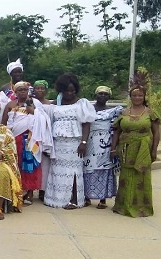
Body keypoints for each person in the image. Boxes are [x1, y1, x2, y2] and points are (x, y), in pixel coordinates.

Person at [111, 70, 160, 217]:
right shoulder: (125, 112)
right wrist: (113, 148)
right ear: (130, 97)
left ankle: (141, 208)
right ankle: (122, 206)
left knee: (141, 176)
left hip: (143, 149)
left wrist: (154, 150)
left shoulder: (150, 113)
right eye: (134, 95)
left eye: (140, 95)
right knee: (126, 176)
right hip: (126, 149)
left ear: (144, 96)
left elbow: (156, 133)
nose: (137, 97)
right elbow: (117, 131)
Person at [44, 73, 97, 209]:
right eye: (67, 90)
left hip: (75, 144)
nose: (70, 93)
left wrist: (83, 143)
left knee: (73, 171)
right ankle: (57, 199)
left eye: (72, 90)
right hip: (58, 143)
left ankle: (73, 200)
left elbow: (86, 124)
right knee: (57, 170)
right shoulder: (54, 105)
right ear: (61, 90)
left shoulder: (81, 103)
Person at [2, 81, 52, 205]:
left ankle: (29, 193)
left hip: (30, 138)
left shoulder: (35, 103)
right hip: (14, 139)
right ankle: (17, 190)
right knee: (16, 164)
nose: (22, 92)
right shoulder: (10, 104)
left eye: (25, 89)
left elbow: (44, 119)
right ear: (16, 92)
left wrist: (33, 111)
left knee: (30, 165)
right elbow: (3, 124)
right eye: (20, 90)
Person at [83, 86, 123, 209]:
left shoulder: (113, 111)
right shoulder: (88, 109)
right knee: (87, 169)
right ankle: (87, 197)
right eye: (100, 94)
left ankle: (103, 199)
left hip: (105, 144)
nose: (103, 96)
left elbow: (116, 129)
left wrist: (113, 147)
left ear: (109, 97)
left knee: (104, 170)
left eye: (106, 94)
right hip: (90, 142)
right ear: (95, 95)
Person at [33, 80, 53, 202]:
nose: (40, 90)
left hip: (46, 137)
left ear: (46, 90)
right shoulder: (31, 103)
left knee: (45, 165)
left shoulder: (51, 105)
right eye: (37, 88)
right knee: (33, 163)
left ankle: (42, 190)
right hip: (34, 137)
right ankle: (30, 188)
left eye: (42, 88)